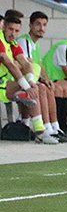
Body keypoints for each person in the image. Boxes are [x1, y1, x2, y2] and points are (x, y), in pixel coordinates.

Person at [1, 14, 57, 144]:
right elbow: (7, 62)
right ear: (3, 27)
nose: (13, 34)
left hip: (5, 82)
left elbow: (25, 64)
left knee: (34, 84)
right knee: (32, 88)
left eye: (16, 31)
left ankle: (41, 131)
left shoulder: (14, 43)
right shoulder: (0, 40)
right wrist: (26, 85)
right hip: (2, 83)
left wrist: (31, 82)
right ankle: (42, 129)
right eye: (10, 29)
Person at [18, 11, 67, 142]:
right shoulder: (24, 41)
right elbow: (26, 64)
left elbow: (39, 65)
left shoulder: (35, 44)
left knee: (48, 87)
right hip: (20, 80)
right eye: (38, 24)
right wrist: (42, 80)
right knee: (42, 88)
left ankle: (55, 127)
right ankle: (46, 129)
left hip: (30, 80)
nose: (41, 28)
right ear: (30, 25)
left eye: (44, 25)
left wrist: (47, 79)